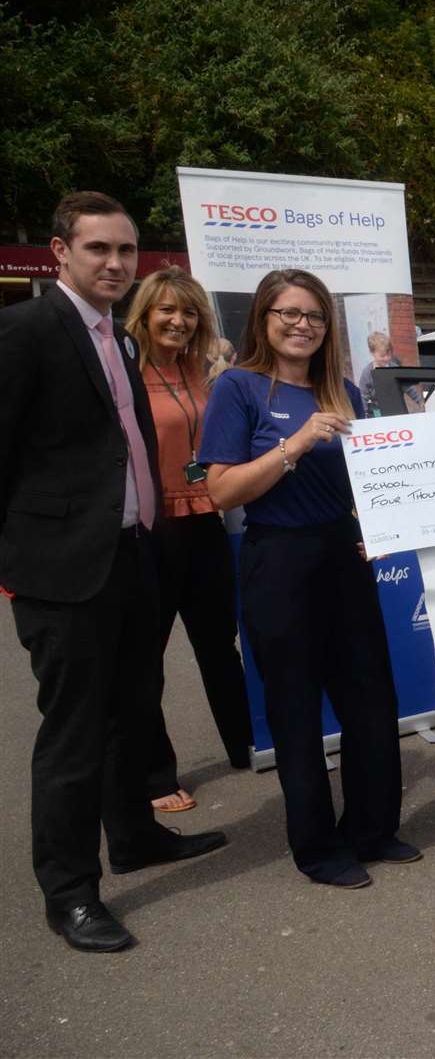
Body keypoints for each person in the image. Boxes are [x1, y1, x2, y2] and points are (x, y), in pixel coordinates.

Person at [0, 192, 227, 952]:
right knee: (75, 735)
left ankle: (134, 838)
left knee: (136, 710)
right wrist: (15, 568)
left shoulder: (119, 340)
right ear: (60, 251)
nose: (115, 264)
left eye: (125, 251)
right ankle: (68, 892)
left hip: (135, 552)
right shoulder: (27, 330)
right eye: (98, 249)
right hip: (63, 574)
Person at [198, 268, 418, 889]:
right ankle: (319, 850)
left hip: (341, 557)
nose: (302, 325)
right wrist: (293, 445)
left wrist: (380, 520)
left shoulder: (340, 387)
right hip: (279, 560)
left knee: (371, 700)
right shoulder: (238, 389)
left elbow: (365, 481)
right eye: (288, 314)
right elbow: (221, 490)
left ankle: (373, 830)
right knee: (297, 711)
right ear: (263, 319)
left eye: (314, 316)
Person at [129, 266, 254, 813]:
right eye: (167, 311)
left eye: (188, 312)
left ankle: (247, 745)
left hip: (205, 521)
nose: (178, 321)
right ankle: (156, 774)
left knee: (219, 645)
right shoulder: (124, 374)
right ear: (146, 315)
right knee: (144, 658)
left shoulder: (201, 374)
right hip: (149, 530)